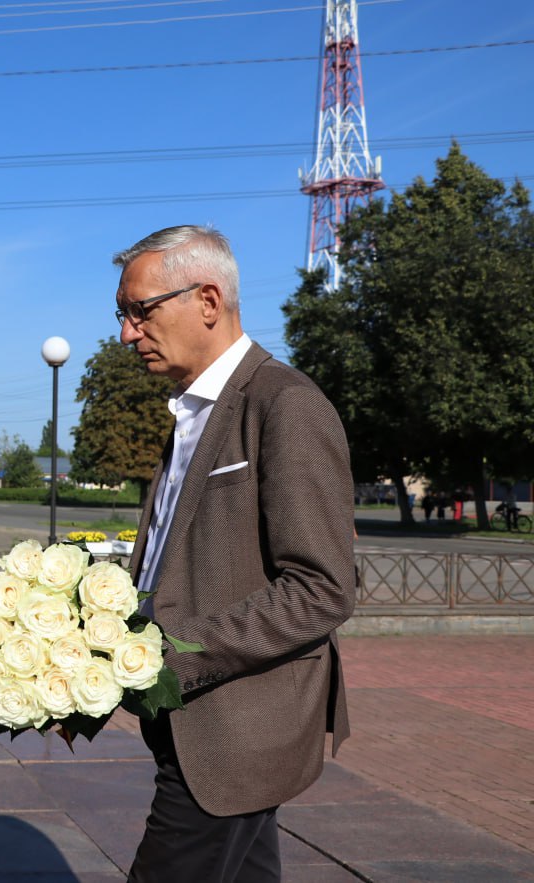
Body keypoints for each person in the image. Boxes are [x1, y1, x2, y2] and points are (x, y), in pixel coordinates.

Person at [113, 225, 356, 882]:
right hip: (189, 721)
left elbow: (321, 587)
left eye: (141, 311)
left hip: (240, 726)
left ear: (209, 301)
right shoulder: (189, 414)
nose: (128, 333)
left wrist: (170, 657)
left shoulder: (286, 403)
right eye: (123, 315)